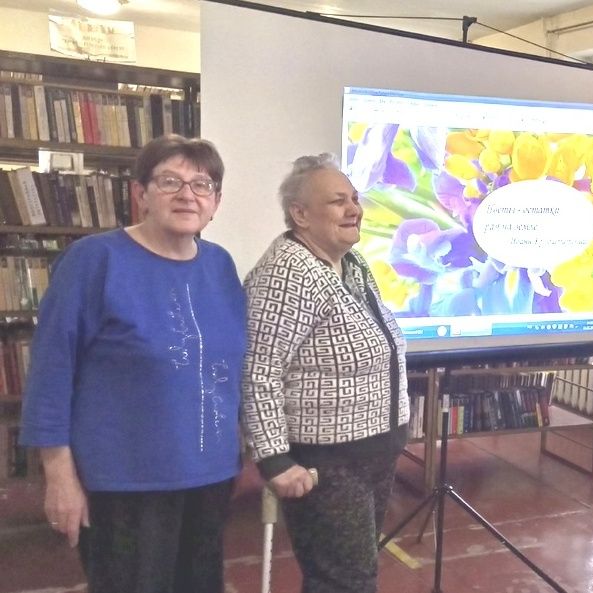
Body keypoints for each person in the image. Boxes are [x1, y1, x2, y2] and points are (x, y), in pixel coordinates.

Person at [19, 135, 245, 593]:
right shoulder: (94, 260)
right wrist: (58, 475)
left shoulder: (220, 265)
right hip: (124, 481)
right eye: (170, 181)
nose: (187, 195)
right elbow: (51, 371)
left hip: (210, 474)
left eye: (202, 185)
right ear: (140, 193)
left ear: (216, 202)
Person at [241, 154, 410, 593]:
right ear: (300, 214)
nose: (354, 209)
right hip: (329, 461)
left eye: (354, 199)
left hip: (371, 451)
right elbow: (258, 368)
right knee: (344, 581)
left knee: (353, 574)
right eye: (338, 201)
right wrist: (274, 459)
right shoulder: (287, 272)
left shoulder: (350, 263)